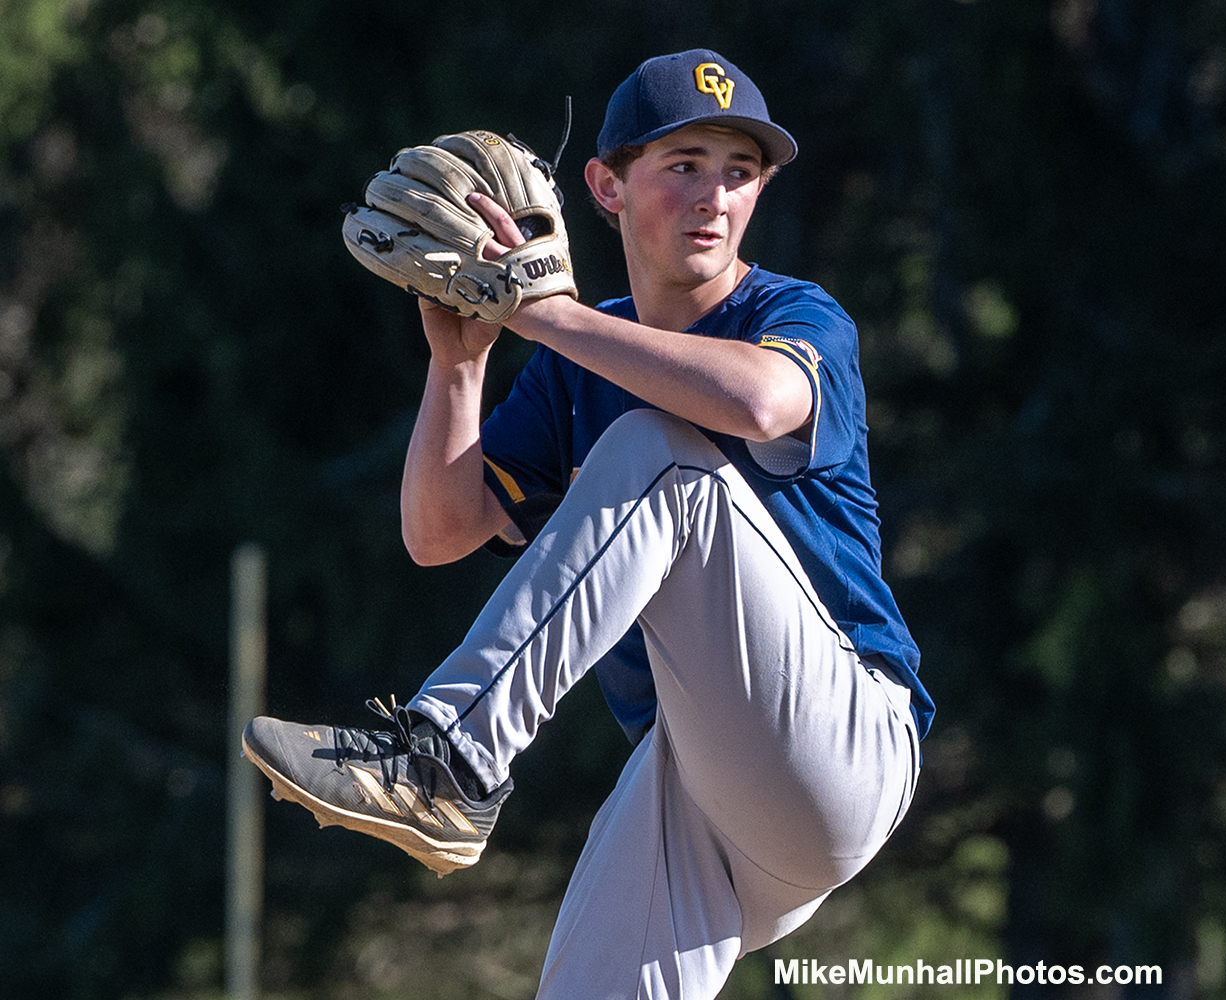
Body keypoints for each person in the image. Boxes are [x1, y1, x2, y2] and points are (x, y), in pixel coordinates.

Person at [243, 49, 934, 1000]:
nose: (715, 195)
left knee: (661, 453)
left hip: (843, 740)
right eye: (684, 164)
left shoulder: (790, 312)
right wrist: (460, 366)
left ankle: (449, 762)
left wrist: (544, 314)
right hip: (691, 787)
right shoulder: (577, 354)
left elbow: (763, 403)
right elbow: (439, 534)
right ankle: (448, 763)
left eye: (740, 171)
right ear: (607, 186)